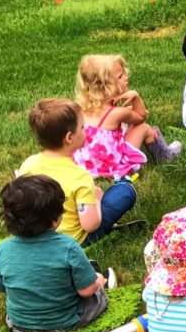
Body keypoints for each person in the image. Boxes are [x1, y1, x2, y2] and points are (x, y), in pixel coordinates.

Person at [0, 175, 110, 332]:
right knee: (96, 288)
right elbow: (87, 291)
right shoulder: (68, 246)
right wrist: (98, 282)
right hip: (66, 322)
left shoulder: (2, 249)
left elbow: (1, 288)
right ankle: (97, 277)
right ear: (55, 220)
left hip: (19, 325)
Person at [16, 98, 141, 246]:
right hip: (74, 241)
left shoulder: (28, 164)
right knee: (124, 191)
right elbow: (90, 225)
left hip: (38, 235)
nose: (86, 130)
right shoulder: (79, 176)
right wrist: (97, 199)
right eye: (82, 127)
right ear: (69, 138)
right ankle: (124, 186)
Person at [74, 54, 180, 179]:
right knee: (143, 127)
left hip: (87, 166)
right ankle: (165, 155)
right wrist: (135, 97)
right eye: (120, 76)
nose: (126, 77)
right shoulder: (117, 113)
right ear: (105, 85)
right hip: (111, 167)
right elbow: (141, 116)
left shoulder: (84, 109)